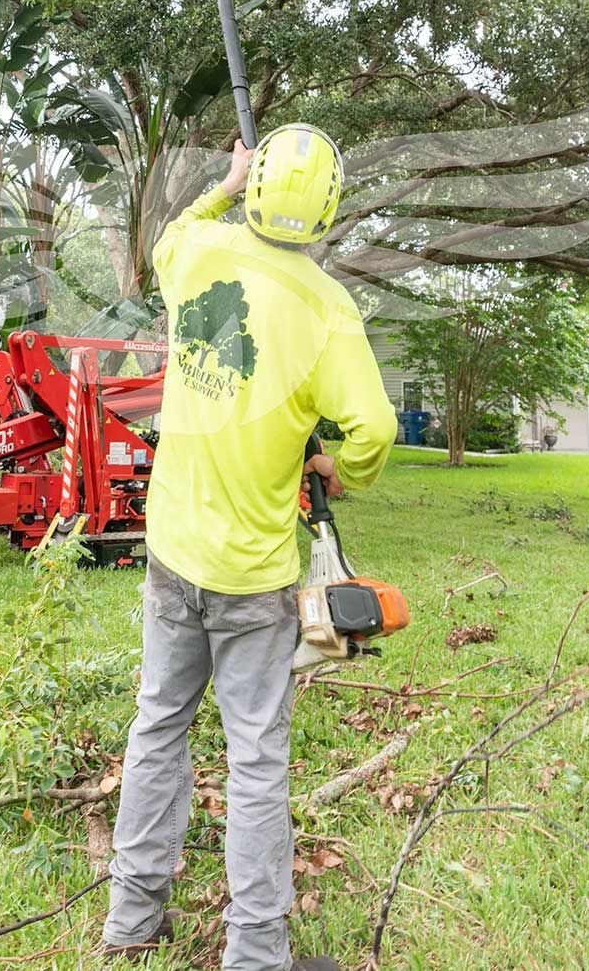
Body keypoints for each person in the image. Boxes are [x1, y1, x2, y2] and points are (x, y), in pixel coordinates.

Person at [103, 125, 397, 971]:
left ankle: (132, 920)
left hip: (172, 551)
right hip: (255, 578)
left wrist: (223, 185)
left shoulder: (197, 254)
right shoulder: (328, 307)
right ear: (329, 208)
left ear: (257, 184)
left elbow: (168, 236)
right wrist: (344, 466)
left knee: (158, 726)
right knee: (258, 759)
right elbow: (374, 426)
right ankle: (256, 954)